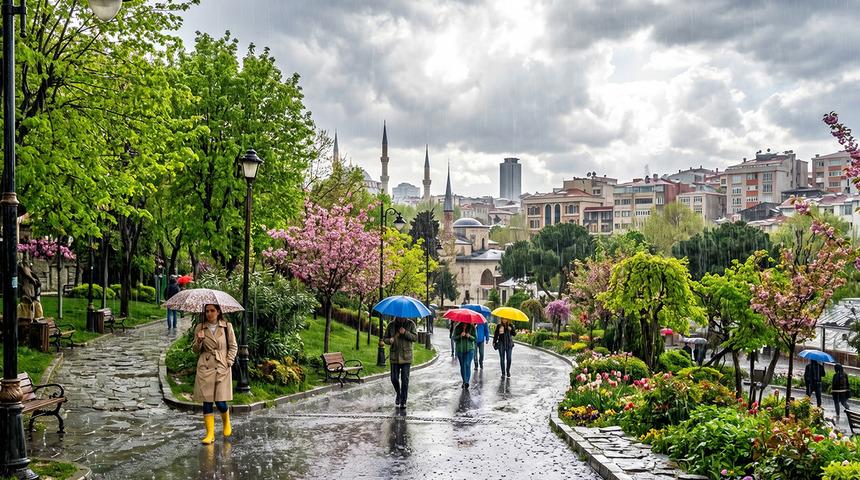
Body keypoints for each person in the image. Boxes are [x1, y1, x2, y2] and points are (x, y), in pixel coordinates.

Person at [193, 303, 238, 444]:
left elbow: (233, 346)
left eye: (212, 310)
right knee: (207, 401)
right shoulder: (200, 327)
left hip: (221, 365)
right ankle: (210, 434)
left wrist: (229, 361)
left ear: (218, 312)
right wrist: (199, 340)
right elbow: (195, 350)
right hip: (205, 366)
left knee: (220, 402)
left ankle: (226, 421)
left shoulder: (226, 326)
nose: (209, 314)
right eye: (207, 311)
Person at [384, 316, 417, 409]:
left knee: (405, 380)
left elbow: (415, 338)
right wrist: (389, 340)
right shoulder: (391, 325)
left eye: (403, 317)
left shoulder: (411, 324)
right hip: (394, 356)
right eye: (400, 317)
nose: (402, 318)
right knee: (394, 378)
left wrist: (405, 332)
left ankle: (403, 401)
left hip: (406, 357)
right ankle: (398, 393)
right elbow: (385, 338)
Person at [453, 321, 477, 388]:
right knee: (462, 365)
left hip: (469, 349)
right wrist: (460, 336)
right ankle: (464, 381)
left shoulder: (472, 327)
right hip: (460, 349)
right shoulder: (457, 327)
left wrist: (469, 336)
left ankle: (467, 381)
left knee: (467, 364)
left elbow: (475, 338)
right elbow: (454, 338)